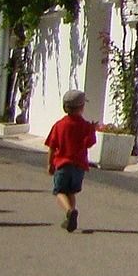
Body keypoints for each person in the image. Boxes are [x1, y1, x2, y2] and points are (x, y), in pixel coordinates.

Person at [45, 90, 97, 232]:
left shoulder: (59, 125)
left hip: (62, 164)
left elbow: (52, 145)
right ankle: (70, 216)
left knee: (60, 192)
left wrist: (50, 163)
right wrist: (92, 130)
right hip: (78, 166)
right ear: (81, 107)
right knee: (71, 192)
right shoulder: (85, 126)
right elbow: (90, 143)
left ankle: (69, 211)